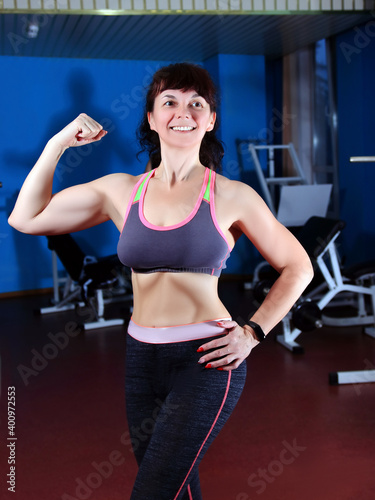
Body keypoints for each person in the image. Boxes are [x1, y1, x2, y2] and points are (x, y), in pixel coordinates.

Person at [8, 63, 313, 499]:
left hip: (206, 359)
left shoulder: (231, 195)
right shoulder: (122, 191)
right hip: (140, 359)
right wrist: (58, 143)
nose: (182, 111)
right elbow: (25, 218)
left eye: (196, 103)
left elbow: (299, 266)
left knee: (152, 491)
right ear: (151, 118)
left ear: (210, 120)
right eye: (169, 101)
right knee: (177, 486)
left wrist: (253, 332)